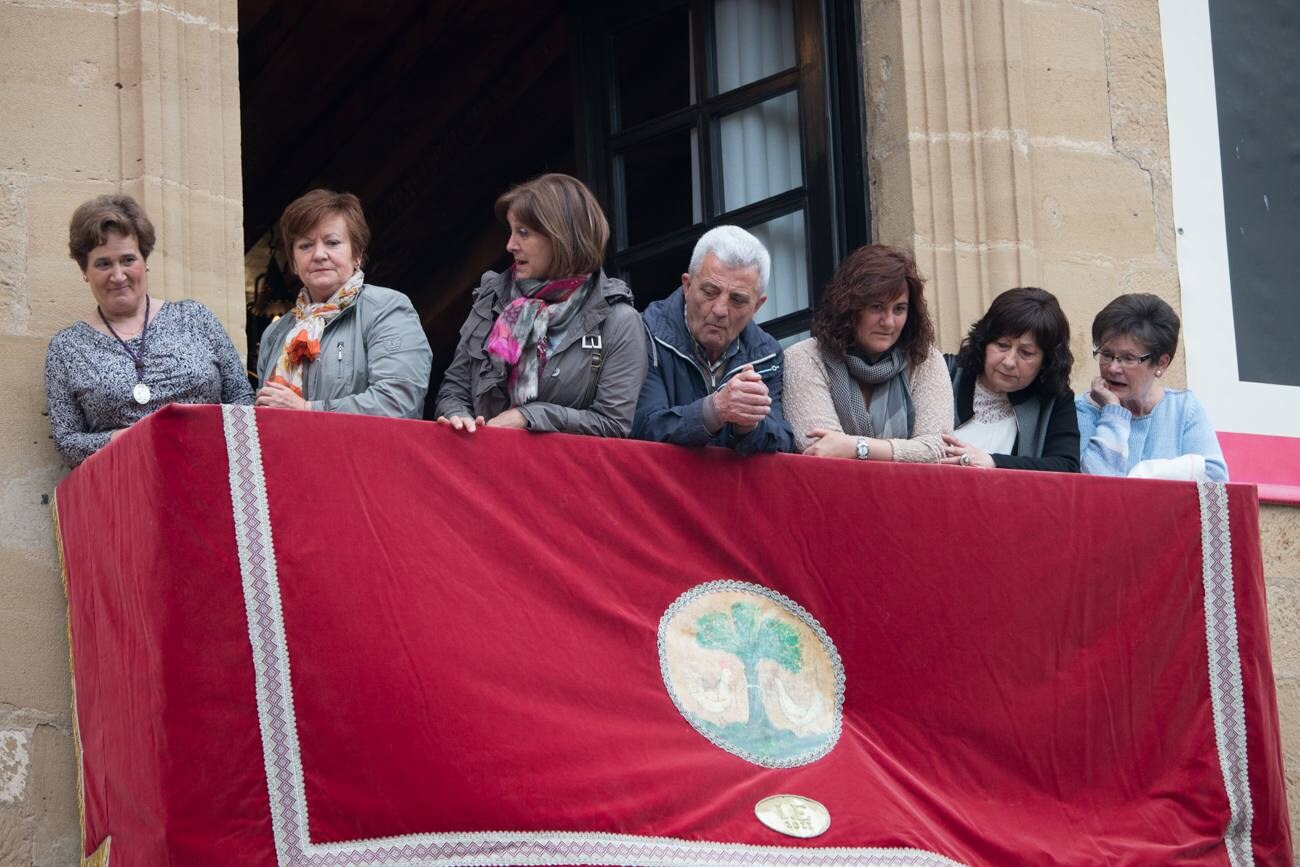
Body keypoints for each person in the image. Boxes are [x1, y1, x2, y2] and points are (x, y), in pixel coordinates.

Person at [44, 194, 254, 467]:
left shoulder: (195, 317)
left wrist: (204, 438)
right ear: (84, 269)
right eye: (103, 263)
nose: (118, 276)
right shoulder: (66, 348)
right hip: (124, 490)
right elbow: (67, 441)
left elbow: (242, 398)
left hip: (211, 477)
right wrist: (134, 438)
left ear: (145, 260)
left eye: (128, 259)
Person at [434, 174, 646, 436]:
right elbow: (454, 389)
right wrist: (458, 417)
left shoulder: (619, 321)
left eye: (523, 233)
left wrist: (530, 416)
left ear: (562, 239)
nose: (510, 245)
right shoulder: (492, 300)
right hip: (483, 470)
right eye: (511, 232)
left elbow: (613, 426)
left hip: (563, 476)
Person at [256, 189, 431, 418]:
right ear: (294, 263)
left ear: (357, 254)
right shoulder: (275, 333)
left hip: (362, 453)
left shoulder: (387, 310)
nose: (319, 254)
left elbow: (397, 403)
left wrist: (307, 410)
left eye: (332, 242)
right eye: (305, 246)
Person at [632, 226, 794, 454]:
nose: (719, 310)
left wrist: (749, 426)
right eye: (710, 291)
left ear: (757, 306)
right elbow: (642, 427)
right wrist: (715, 410)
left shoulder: (767, 354)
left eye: (737, 300)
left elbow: (783, 444)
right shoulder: (643, 333)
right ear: (687, 286)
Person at [783, 244, 952, 461]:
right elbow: (821, 451)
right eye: (876, 307)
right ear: (849, 307)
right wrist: (906, 452)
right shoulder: (805, 357)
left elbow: (938, 451)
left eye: (899, 309)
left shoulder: (924, 359)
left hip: (911, 494)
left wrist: (857, 447)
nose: (889, 322)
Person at [1075, 293, 1227, 481]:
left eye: (1129, 358)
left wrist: (1142, 474)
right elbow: (1095, 485)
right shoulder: (1079, 411)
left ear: (1161, 363)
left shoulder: (1183, 409)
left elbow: (1215, 477)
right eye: (1106, 354)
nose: (1113, 368)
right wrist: (1113, 412)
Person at [941, 287, 1080, 472]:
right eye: (1002, 345)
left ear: (1046, 361)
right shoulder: (945, 372)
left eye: (1026, 353)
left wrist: (994, 462)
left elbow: (1067, 467)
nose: (1009, 362)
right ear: (984, 342)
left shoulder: (1054, 399)